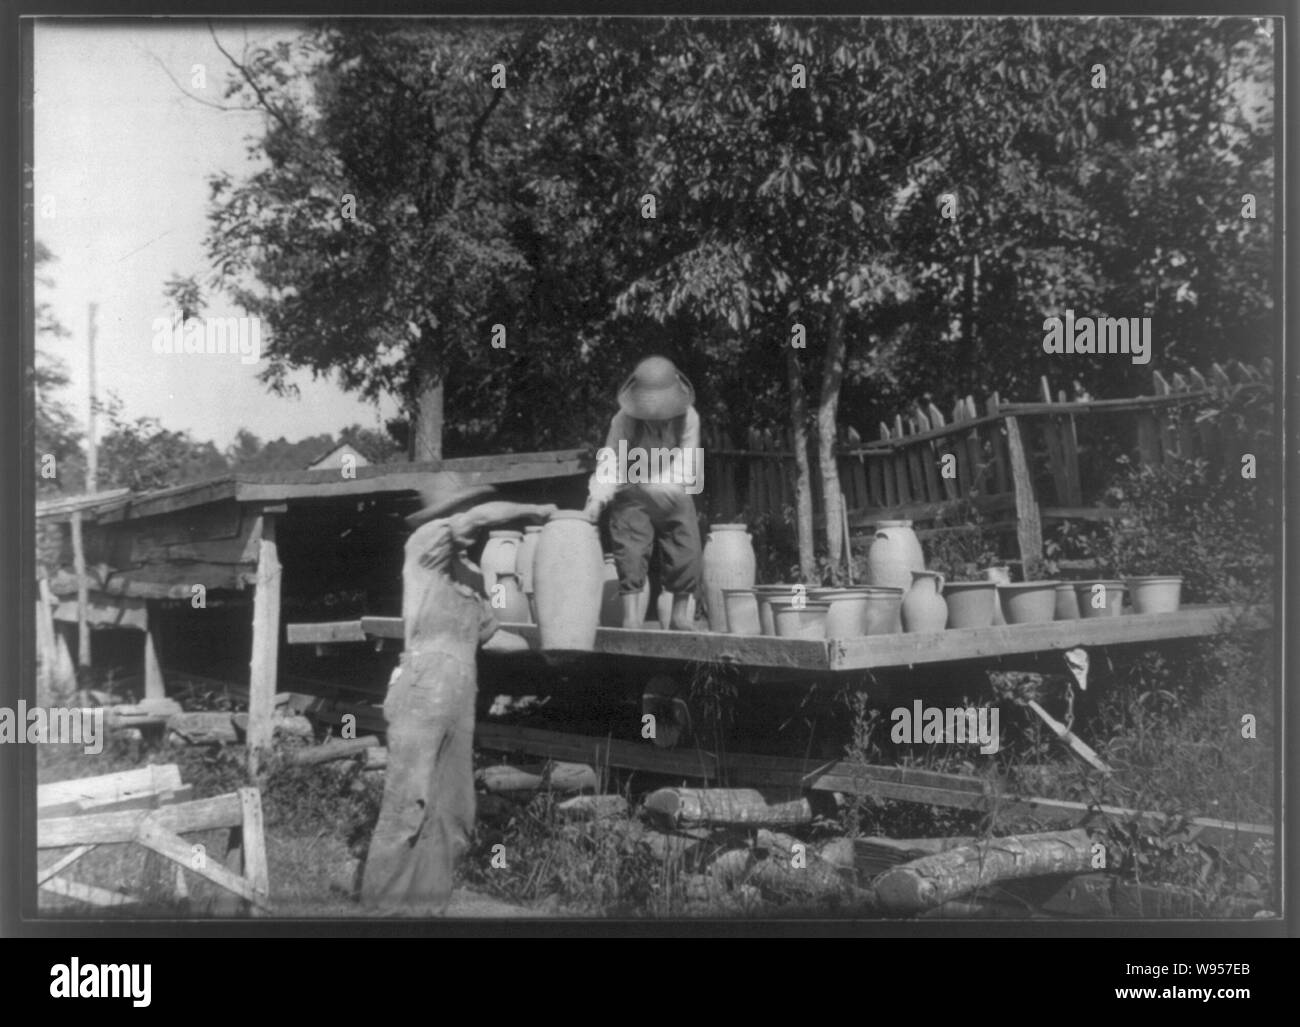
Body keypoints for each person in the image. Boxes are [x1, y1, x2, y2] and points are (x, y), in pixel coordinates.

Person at [360, 479, 555, 915]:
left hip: (460, 694)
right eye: (464, 512)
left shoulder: (470, 575)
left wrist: (550, 648)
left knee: (454, 808)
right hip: (422, 685)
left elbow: (493, 636)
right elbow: (481, 518)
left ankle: (428, 907)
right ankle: (382, 909)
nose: (469, 523)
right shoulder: (425, 546)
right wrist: (536, 508)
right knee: (408, 801)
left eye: (470, 512)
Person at [584, 356, 703, 630]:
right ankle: (631, 619)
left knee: (687, 546)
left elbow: (687, 463)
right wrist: (596, 501)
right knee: (630, 547)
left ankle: (680, 615)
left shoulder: (689, 418)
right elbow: (610, 460)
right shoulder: (623, 420)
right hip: (633, 488)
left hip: (673, 487)